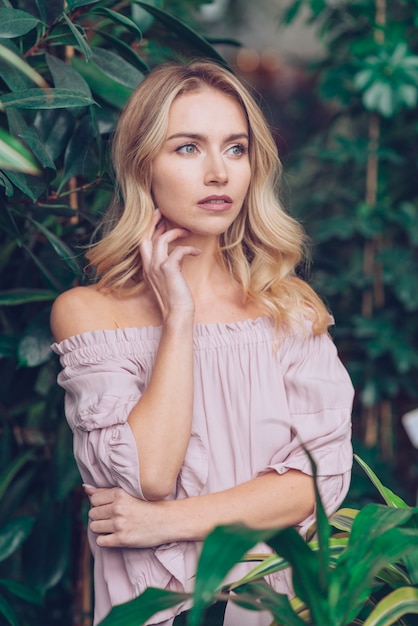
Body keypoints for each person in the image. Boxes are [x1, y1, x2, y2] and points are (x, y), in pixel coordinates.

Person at [50, 59, 354, 626]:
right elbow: (148, 476)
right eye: (188, 148)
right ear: (143, 167)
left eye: (235, 148)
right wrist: (180, 320)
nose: (219, 173)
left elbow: (315, 484)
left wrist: (165, 521)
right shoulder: (86, 312)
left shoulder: (288, 307)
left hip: (271, 612)